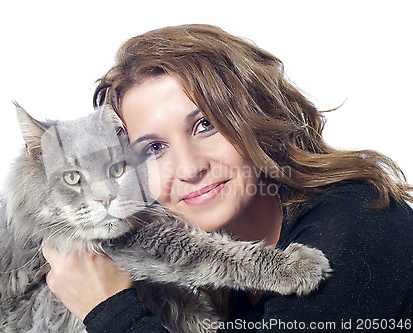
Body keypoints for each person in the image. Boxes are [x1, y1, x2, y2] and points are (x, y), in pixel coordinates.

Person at [42, 24, 413, 332]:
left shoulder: (359, 223)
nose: (188, 168)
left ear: (257, 116)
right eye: (152, 149)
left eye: (206, 125)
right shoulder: (230, 281)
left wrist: (108, 308)